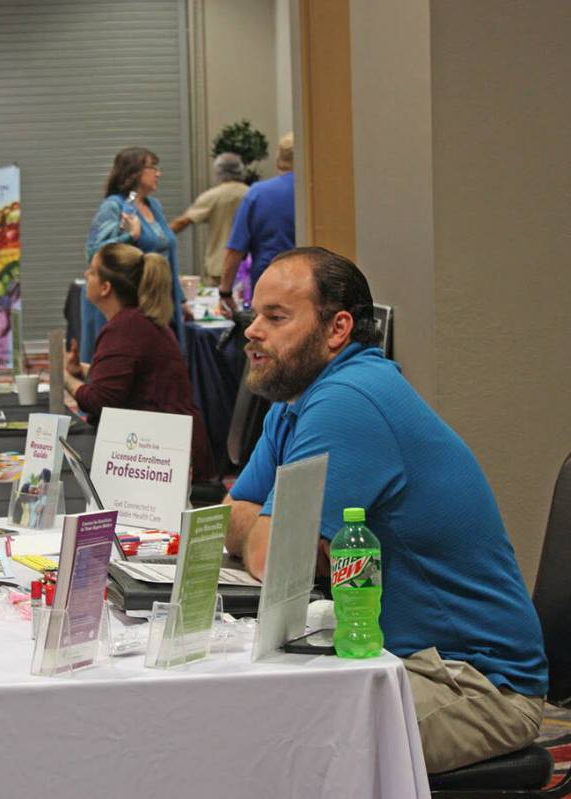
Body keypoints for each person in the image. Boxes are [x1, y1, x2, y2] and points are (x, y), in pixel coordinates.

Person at [224, 245, 547, 774]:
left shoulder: (350, 400)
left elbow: (269, 555)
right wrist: (254, 523)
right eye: (255, 314)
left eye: (276, 317)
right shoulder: (296, 402)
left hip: (475, 686)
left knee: (272, 748)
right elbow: (239, 513)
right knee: (247, 720)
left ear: (337, 329)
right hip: (392, 656)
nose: (252, 331)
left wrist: (257, 525)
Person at [65, 243, 215, 481]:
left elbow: (98, 400)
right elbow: (130, 380)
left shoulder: (125, 328)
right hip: (170, 451)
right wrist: (81, 371)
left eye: (92, 271)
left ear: (105, 287)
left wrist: (63, 377)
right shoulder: (136, 322)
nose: (86, 274)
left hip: (166, 463)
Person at [80, 147, 186, 364]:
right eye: (153, 167)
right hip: (129, 304)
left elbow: (167, 252)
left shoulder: (153, 206)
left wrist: (180, 298)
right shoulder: (113, 207)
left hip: (158, 299)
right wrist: (130, 236)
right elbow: (95, 252)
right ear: (135, 171)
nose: (159, 173)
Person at [218, 133, 295, 318]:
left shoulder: (259, 194)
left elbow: (235, 250)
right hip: (314, 288)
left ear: (279, 159)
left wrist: (225, 292)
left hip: (270, 286)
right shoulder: (321, 190)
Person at [170, 153, 249, 287]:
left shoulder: (213, 196)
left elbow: (183, 221)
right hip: (247, 266)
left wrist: (158, 236)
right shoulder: (252, 193)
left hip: (221, 266)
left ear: (218, 172)